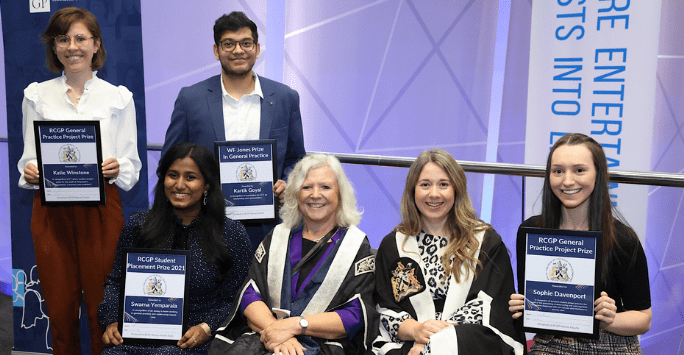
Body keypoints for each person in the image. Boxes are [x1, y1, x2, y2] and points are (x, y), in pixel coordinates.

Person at [16, 7, 142, 355]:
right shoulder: (36, 95)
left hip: (101, 210)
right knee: (58, 306)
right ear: (54, 47)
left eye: (80, 38)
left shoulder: (118, 97)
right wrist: (29, 172)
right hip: (51, 211)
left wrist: (118, 169)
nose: (72, 46)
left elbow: (132, 165)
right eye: (63, 39)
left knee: (103, 307)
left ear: (96, 43)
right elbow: (28, 158)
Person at [161, 11, 306, 250]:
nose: (238, 50)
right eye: (229, 44)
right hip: (205, 223)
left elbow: (296, 158)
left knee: (263, 288)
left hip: (268, 227)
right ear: (217, 50)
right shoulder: (191, 98)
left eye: (246, 43)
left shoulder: (285, 98)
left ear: (257, 49)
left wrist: (288, 183)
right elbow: (170, 159)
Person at [209, 154, 377, 355]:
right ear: (296, 194)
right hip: (267, 338)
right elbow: (249, 293)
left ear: (340, 194)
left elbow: (356, 313)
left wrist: (296, 326)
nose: (315, 194)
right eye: (306, 187)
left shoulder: (356, 246)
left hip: (324, 345)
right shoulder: (278, 237)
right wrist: (276, 332)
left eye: (325, 187)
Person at [98, 143, 253, 354]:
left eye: (190, 177)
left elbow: (237, 297)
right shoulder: (138, 226)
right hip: (137, 334)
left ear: (207, 184)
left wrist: (206, 328)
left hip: (194, 339)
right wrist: (111, 321)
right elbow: (116, 282)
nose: (179, 185)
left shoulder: (232, 234)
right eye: (172, 175)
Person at [508, 133, 651, 353]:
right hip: (550, 345)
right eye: (558, 171)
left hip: (610, 345)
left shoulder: (623, 240)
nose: (567, 181)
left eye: (579, 170)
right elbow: (536, 304)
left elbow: (643, 319)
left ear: (598, 175)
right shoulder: (531, 232)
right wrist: (523, 307)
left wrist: (608, 319)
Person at [372, 149, 525, 355]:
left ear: (457, 189)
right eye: (425, 184)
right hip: (410, 342)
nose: (434, 194)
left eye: (443, 184)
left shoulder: (486, 242)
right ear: (412, 190)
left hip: (470, 345)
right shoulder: (394, 245)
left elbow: (489, 307)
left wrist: (434, 343)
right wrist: (417, 331)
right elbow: (383, 308)